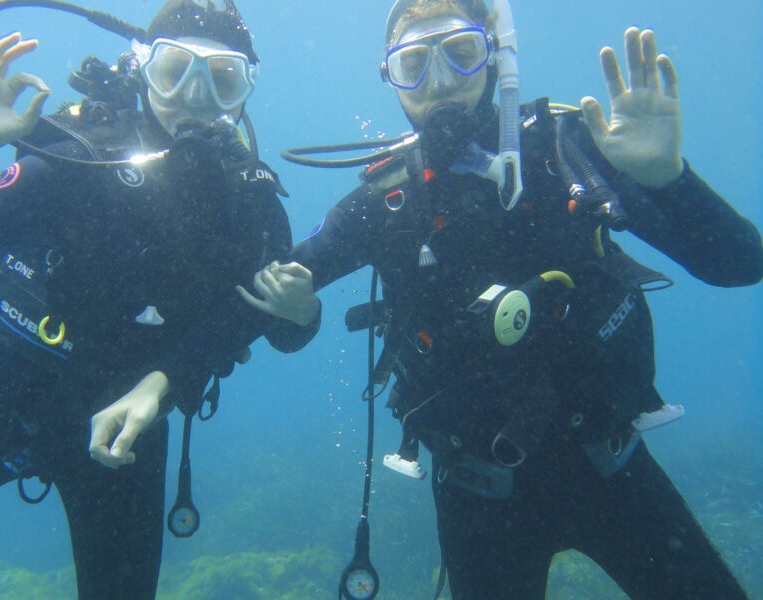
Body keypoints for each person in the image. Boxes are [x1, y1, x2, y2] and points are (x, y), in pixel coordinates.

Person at [242, 0, 763, 598]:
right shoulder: (384, 201)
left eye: (460, 54)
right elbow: (275, 311)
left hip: (613, 469)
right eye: (413, 65)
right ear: (391, 79)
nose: (440, 81)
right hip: (480, 506)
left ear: (495, 58)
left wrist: (670, 180)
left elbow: (739, 264)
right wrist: (301, 314)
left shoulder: (569, 149)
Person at [0, 1, 318, 598]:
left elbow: (275, 325)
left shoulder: (249, 205)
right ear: (143, 69)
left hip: (123, 444)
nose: (195, 96)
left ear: (245, 89)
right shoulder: (76, 159)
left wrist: (304, 313)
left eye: (223, 78)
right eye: (174, 70)